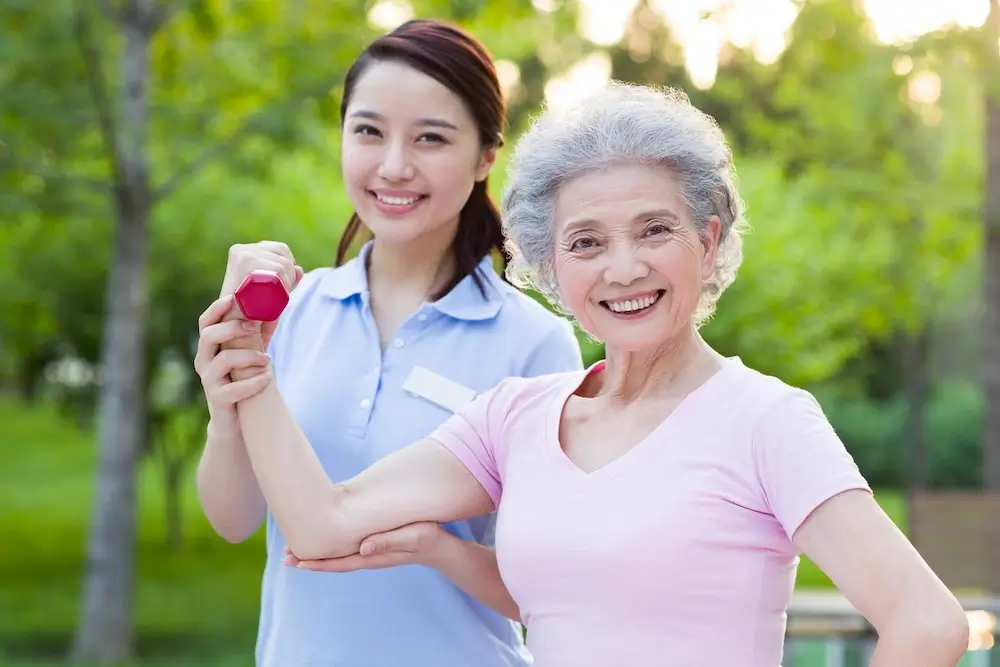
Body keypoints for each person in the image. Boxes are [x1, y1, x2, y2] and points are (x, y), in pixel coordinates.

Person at [205, 81, 971, 666]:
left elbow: (927, 622)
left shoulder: (766, 420)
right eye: (586, 242)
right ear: (550, 265)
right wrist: (250, 364)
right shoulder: (515, 416)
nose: (624, 267)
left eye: (655, 229)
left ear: (707, 242)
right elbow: (322, 521)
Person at [193, 19, 582, 667]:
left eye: (430, 138)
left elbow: (553, 587)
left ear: (487, 155)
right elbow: (234, 522)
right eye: (369, 131)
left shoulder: (535, 343)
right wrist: (228, 401)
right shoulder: (289, 312)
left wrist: (433, 545)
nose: (394, 166)